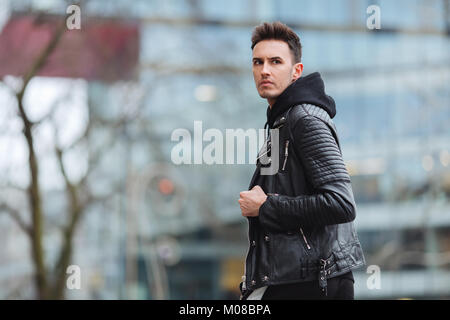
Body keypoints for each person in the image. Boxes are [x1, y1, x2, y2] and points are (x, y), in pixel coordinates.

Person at [238, 21, 365, 300]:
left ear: (296, 71)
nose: (265, 70)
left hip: (313, 282)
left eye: (275, 61)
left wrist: (267, 207)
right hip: (295, 279)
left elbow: (341, 203)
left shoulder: (304, 120)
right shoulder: (281, 122)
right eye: (258, 62)